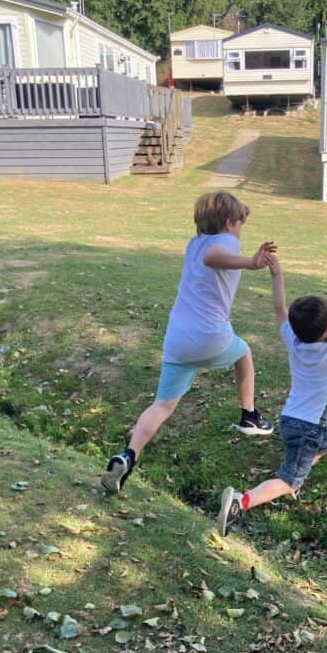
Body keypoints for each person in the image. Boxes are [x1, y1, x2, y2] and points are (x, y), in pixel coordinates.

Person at [102, 191, 276, 494]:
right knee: (244, 352)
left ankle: (127, 456)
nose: (240, 232)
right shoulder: (224, 242)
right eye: (239, 225)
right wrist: (250, 262)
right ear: (227, 223)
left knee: (163, 405)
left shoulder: (194, 244)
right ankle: (250, 416)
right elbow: (215, 257)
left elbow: (210, 255)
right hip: (209, 336)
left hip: (177, 340)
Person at [217, 253, 327, 535]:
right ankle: (242, 501)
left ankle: (301, 464)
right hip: (308, 428)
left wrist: (276, 275)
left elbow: (278, 309)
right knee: (289, 481)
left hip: (291, 419)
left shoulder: (293, 342)